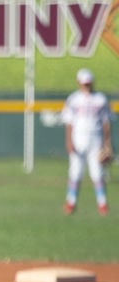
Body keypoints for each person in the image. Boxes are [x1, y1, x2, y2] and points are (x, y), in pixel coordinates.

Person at [61, 68, 115, 216]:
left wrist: (108, 143)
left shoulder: (101, 99)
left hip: (96, 138)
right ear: (79, 83)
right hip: (78, 138)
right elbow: (69, 122)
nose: (87, 86)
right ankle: (71, 202)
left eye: (89, 83)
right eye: (84, 83)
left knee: (97, 173)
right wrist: (69, 141)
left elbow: (107, 122)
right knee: (75, 172)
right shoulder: (74, 99)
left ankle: (102, 203)